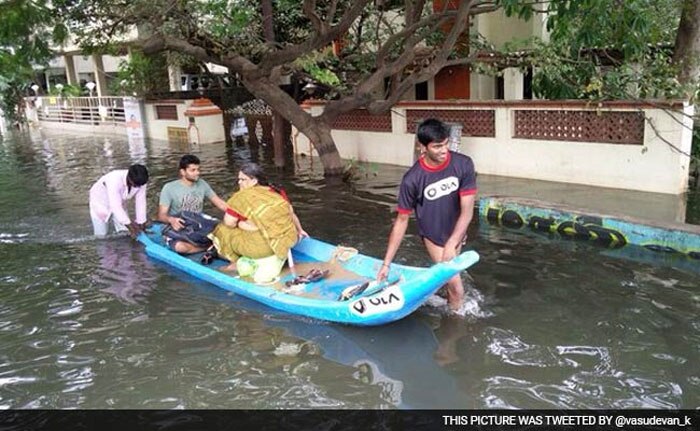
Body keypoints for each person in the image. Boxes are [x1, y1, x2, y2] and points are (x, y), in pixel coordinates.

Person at [377, 118, 477, 312]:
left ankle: (446, 301)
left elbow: (467, 211)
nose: (444, 150)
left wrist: (452, 243)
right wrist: (386, 264)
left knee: (449, 278)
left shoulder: (464, 164)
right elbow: (402, 221)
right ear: (422, 147)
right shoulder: (412, 179)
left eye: (446, 144)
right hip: (433, 236)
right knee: (456, 287)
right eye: (437, 146)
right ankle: (455, 331)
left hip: (457, 232)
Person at [209, 162, 307, 273]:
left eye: (243, 179)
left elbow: (229, 223)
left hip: (261, 248)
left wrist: (243, 224)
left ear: (254, 181)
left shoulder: (241, 197)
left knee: (222, 229)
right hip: (288, 239)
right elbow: (290, 213)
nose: (239, 182)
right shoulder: (277, 191)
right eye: (239, 179)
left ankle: (235, 262)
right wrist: (300, 230)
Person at [157, 154, 229, 254]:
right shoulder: (169, 188)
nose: (197, 173)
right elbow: (161, 215)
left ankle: (209, 245)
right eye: (193, 170)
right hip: (180, 226)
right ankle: (208, 247)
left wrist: (237, 215)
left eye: (198, 169)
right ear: (182, 172)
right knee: (180, 248)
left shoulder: (202, 183)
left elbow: (220, 203)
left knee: (225, 230)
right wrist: (171, 220)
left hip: (198, 224)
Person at [89, 164, 149, 237]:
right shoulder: (114, 180)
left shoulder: (141, 181)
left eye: (140, 185)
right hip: (100, 201)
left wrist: (141, 223)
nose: (138, 187)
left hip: (120, 200)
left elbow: (141, 203)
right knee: (101, 235)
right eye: (136, 185)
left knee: (124, 232)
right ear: (129, 178)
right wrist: (131, 227)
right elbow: (115, 206)